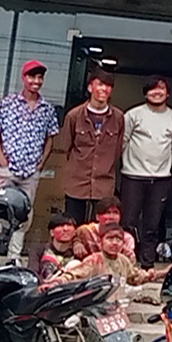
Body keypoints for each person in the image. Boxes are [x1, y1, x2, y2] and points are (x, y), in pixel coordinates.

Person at [0, 60, 61, 257]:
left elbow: (50, 139)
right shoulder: (8, 104)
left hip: (30, 172)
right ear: (23, 78)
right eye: (32, 77)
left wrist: (41, 163)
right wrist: (2, 160)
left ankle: (14, 257)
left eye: (39, 77)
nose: (36, 81)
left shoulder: (47, 109)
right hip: (8, 168)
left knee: (24, 214)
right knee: (0, 211)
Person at [120, 78, 172, 269]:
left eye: (161, 88)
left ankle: (147, 264)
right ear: (145, 92)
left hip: (160, 179)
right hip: (132, 175)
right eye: (152, 89)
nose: (156, 92)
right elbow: (122, 142)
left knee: (152, 224)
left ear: (168, 93)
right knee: (129, 222)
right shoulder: (133, 115)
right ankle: (126, 263)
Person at [50, 70, 125, 225]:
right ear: (90, 87)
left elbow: (117, 150)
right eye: (100, 84)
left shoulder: (118, 118)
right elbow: (67, 147)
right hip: (77, 181)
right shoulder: (74, 115)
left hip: (104, 183)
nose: (104, 89)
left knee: (101, 227)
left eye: (109, 86)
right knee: (73, 224)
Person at [56, 224, 165, 288]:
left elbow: (136, 277)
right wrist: (56, 282)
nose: (114, 243)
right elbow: (73, 275)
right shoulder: (94, 260)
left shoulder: (123, 261)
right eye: (110, 239)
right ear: (101, 241)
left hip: (117, 310)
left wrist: (162, 273)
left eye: (118, 239)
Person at [39, 213, 83, 281]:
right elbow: (33, 271)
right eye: (61, 225)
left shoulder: (78, 252)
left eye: (69, 225)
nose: (65, 229)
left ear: (75, 232)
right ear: (52, 232)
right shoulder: (40, 249)